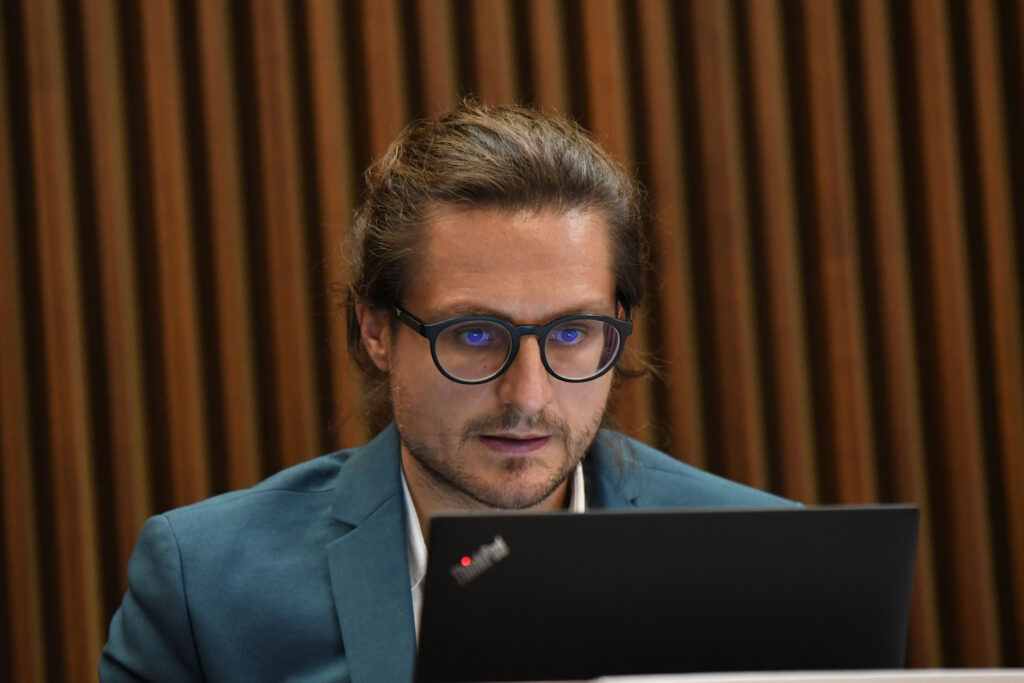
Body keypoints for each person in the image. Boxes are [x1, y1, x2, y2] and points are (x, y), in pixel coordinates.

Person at [100, 102, 794, 682]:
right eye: (474, 334)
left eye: (572, 333)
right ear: (376, 329)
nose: (529, 395)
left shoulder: (766, 562)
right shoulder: (205, 587)